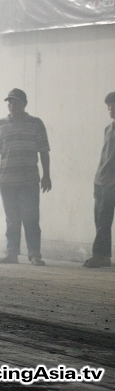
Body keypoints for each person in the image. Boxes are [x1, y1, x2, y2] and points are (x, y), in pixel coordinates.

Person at [0, 88, 51, 266]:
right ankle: (12, 253)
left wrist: (46, 175)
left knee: (31, 217)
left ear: (24, 103)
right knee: (12, 218)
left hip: (29, 180)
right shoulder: (0, 125)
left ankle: (34, 254)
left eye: (15, 101)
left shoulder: (36, 124)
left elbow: (44, 151)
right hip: (7, 180)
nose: (11, 105)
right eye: (9, 101)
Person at [84, 92, 115, 268]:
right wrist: (97, 178)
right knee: (100, 220)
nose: (110, 109)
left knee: (104, 220)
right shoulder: (108, 129)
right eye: (108, 106)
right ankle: (103, 256)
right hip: (101, 180)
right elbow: (105, 156)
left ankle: (100, 255)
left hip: (112, 182)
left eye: (113, 105)